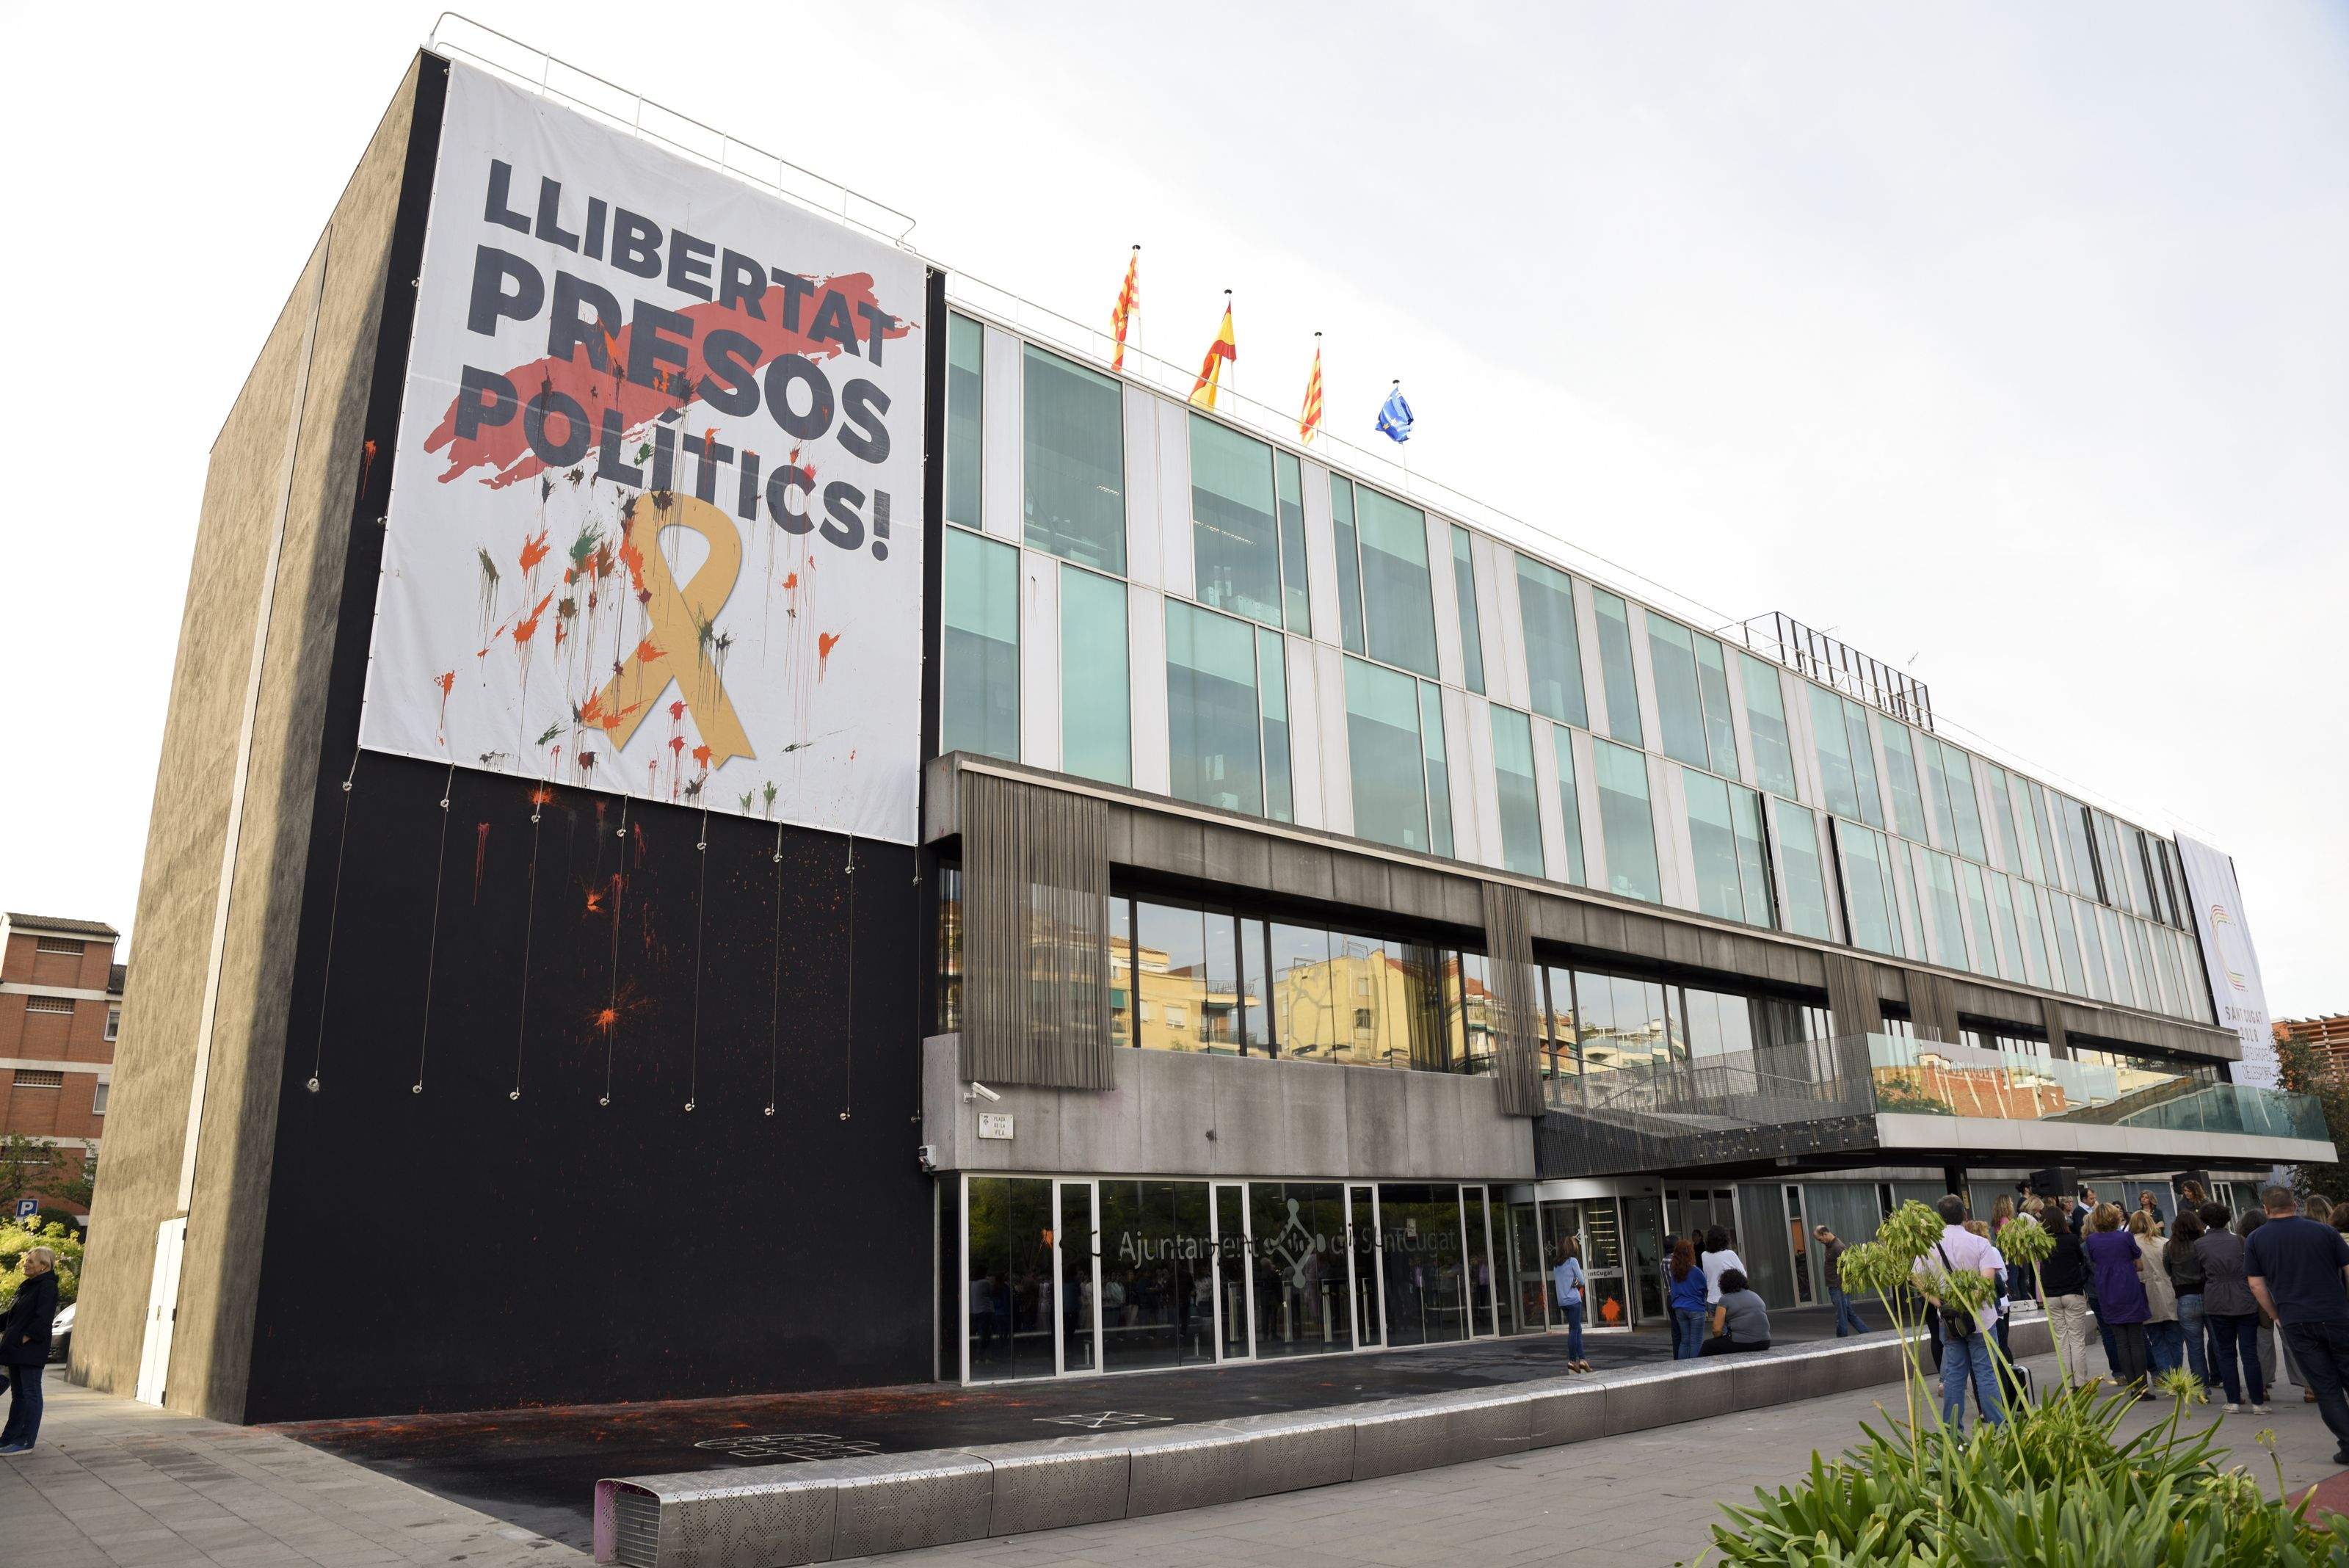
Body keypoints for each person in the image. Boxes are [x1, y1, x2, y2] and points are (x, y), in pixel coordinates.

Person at [2246, 1186, 2349, 1465]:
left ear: (2266, 1209)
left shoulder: (2256, 1239)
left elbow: (2256, 1284)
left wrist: (2276, 1313)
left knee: (2326, 1388)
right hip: (2337, 1314)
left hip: (2296, 1319)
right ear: (2295, 1204)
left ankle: (2348, 1445)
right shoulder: (2324, 1232)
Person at [1914, 1197, 2005, 1432]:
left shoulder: (1928, 1247)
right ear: (1965, 1214)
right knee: (1986, 1373)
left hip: (1949, 1320)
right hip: (1982, 1319)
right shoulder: (1980, 1243)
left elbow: (1917, 1280)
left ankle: (1953, 1431)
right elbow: (1987, 1280)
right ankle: (1999, 1428)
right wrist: (1968, 1304)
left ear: (1939, 1217)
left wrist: (1942, 1304)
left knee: (1954, 1375)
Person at [2196, 1199, 2268, 1413]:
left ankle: (2234, 1400)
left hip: (2216, 1299)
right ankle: (2257, 1402)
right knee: (2250, 1353)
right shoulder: (2240, 1241)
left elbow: (2198, 1274)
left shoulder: (2199, 1245)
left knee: (2226, 1353)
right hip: (2244, 1298)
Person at [2083, 1203, 2150, 1393]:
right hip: (2128, 1287)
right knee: (2136, 1339)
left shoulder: (2092, 1240)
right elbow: (2139, 1264)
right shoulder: (2125, 1237)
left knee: (2120, 1341)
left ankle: (2132, 1387)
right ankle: (2143, 1385)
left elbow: (2094, 1260)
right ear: (2116, 1218)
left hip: (2106, 1289)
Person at [0, 1246, 57, 1455]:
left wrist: (24, 1339)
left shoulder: (47, 1287)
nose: (26, 1264)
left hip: (29, 1350)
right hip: (16, 1350)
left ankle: (26, 1440)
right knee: (20, 1396)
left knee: (31, 1394)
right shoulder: (30, 1286)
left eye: (31, 1262)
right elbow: (12, 1317)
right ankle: (9, 1438)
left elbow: (43, 1319)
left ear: (44, 1266)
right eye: (27, 1260)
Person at [2039, 1206, 2095, 1385]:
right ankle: (2080, 1381)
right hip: (2073, 1292)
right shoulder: (2071, 1240)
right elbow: (2081, 1259)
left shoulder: (2041, 1243)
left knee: (2061, 1340)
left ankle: (2069, 1382)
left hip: (2051, 1294)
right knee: (2077, 1339)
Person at [2132, 1211, 2182, 1375]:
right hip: (2169, 1293)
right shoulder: (2165, 1242)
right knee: (2175, 1340)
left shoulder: (2131, 1244)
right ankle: (2177, 1376)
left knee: (2157, 1341)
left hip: (2145, 1295)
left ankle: (2167, 1377)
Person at [2168, 1207, 2212, 1390]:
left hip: (2185, 1296)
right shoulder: (2203, 1243)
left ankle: (2202, 1387)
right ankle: (2226, 1380)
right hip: (2208, 1293)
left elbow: (2168, 1269)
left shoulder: (2169, 1247)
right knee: (2218, 1342)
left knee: (2195, 1347)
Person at [1701, 1268, 1771, 1355]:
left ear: (1723, 1285)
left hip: (1742, 1343)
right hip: (1765, 1342)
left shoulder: (1725, 1300)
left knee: (1708, 1345)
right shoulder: (1755, 1296)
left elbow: (1717, 1330)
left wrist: (1719, 1339)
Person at [1553, 1237, 1591, 1374]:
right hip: (1574, 1301)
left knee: (1577, 1329)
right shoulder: (1573, 1261)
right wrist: (1575, 1282)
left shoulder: (1556, 1265)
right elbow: (1581, 1281)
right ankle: (1572, 1360)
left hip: (1562, 1302)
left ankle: (1583, 1360)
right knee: (1574, 1331)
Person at [1667, 1239, 1709, 1360]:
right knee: (1695, 1341)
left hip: (1680, 1308)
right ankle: (1694, 1368)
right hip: (1695, 1307)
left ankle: (1682, 1367)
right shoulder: (1696, 1271)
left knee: (1684, 1341)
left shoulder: (1675, 1272)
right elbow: (1705, 1287)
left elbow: (1673, 1290)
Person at [1699, 1227, 1746, 1310]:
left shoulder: (1704, 1255)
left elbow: (1706, 1276)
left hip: (1712, 1299)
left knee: (1717, 1323)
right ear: (1725, 1239)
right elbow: (1743, 1275)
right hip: (1728, 1298)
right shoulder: (1730, 1254)